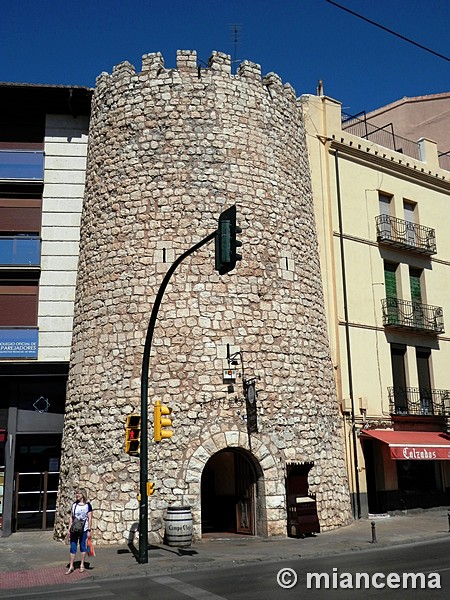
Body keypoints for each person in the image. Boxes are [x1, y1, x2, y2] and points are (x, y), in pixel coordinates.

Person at [66, 488, 93, 574]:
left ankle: (82, 564)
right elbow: (71, 517)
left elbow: (90, 518)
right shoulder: (74, 505)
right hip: (74, 529)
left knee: (82, 546)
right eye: (76, 493)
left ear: (83, 495)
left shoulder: (87, 505)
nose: (77, 495)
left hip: (84, 529)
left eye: (79, 493)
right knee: (73, 547)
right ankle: (71, 566)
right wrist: (69, 530)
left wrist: (89, 530)